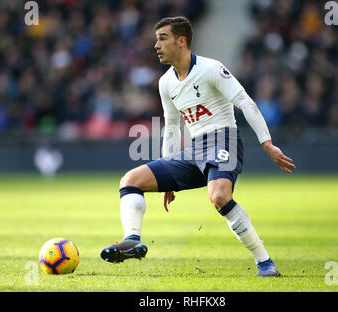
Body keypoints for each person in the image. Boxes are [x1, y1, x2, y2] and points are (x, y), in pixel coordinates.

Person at [100, 16, 295, 277]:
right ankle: (132, 240)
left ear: (181, 42)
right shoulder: (165, 82)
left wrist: (267, 144)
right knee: (130, 180)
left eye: (162, 39)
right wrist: (168, 179)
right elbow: (171, 127)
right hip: (194, 149)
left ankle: (265, 263)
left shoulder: (211, 69)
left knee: (219, 197)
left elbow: (246, 103)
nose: (156, 45)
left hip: (224, 139)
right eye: (156, 39)